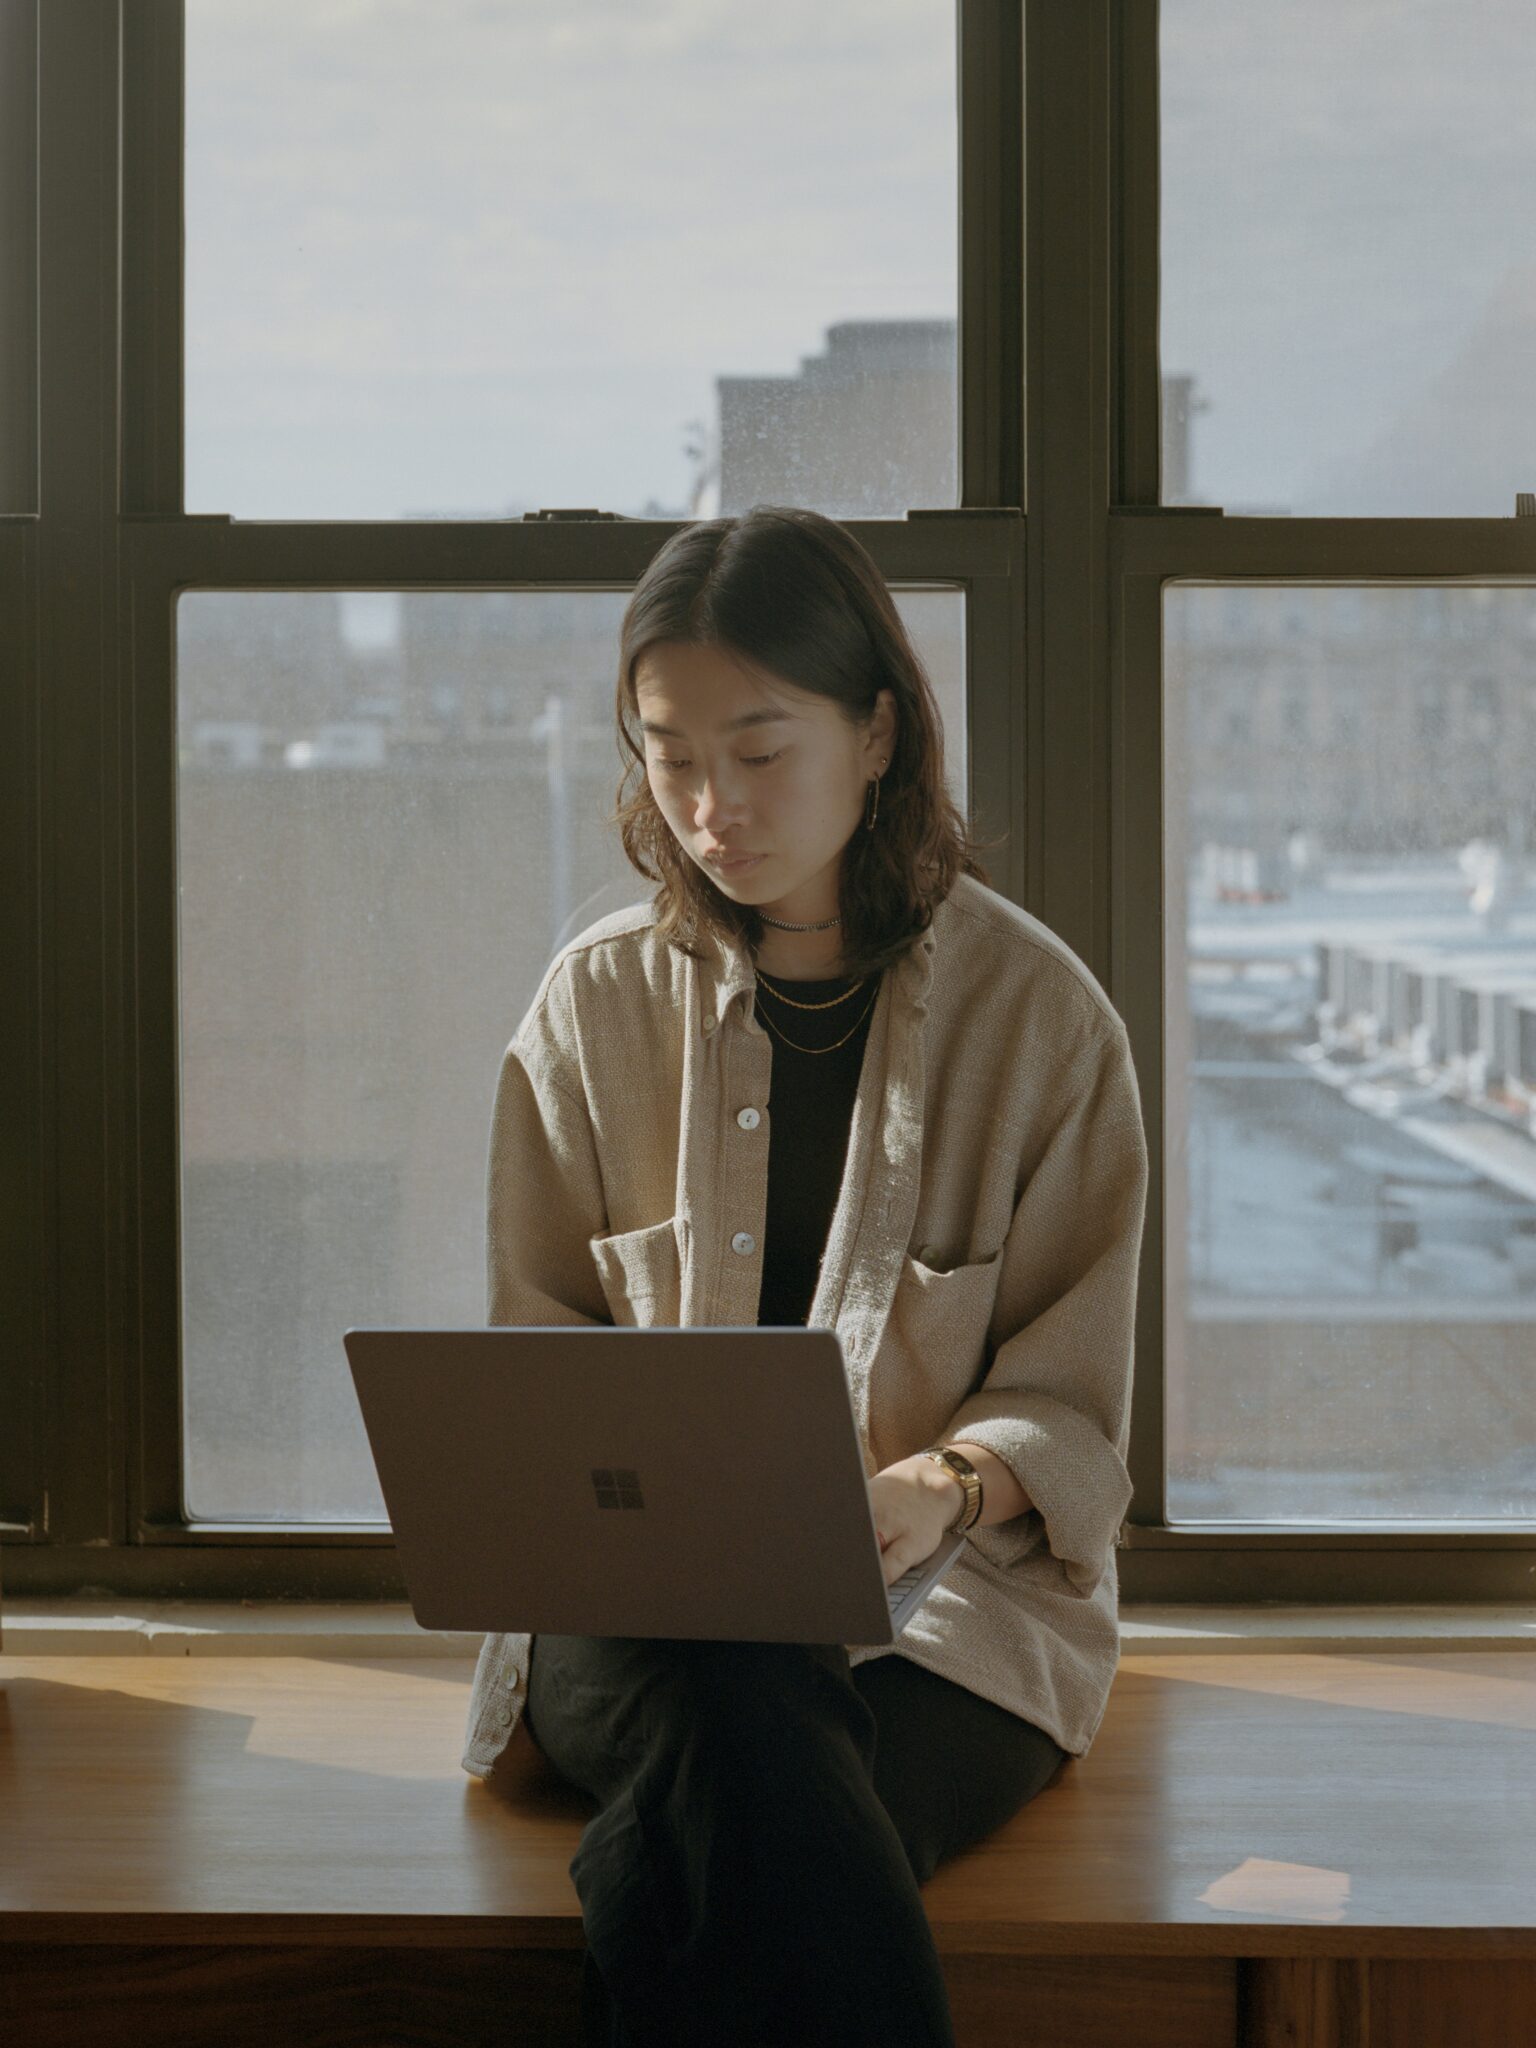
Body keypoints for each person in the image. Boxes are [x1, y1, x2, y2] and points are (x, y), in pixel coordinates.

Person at [461, 505, 1150, 2046]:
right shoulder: (592, 1010)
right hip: (638, 1622)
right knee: (748, 1724)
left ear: (881, 730)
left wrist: (951, 1488)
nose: (711, 804)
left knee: (723, 1816)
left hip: (949, 1617)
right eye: (670, 753)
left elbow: (1078, 1409)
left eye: (760, 751)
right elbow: (534, 1360)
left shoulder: (1042, 1021)